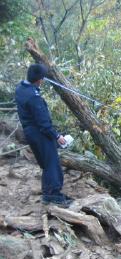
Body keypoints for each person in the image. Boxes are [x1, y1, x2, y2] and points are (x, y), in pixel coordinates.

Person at [15, 64, 73, 208]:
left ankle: (48, 193)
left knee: (46, 164)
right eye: (42, 78)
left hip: (30, 132)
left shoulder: (20, 89)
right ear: (39, 80)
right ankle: (53, 195)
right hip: (39, 133)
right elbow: (44, 124)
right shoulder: (34, 98)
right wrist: (58, 136)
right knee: (52, 163)